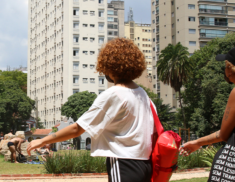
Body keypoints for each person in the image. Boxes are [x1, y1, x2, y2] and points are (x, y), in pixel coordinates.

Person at [27, 38, 155, 182]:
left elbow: (77, 129)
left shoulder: (114, 94)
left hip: (124, 163)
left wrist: (43, 140)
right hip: (146, 164)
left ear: (109, 65)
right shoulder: (144, 95)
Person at [180, 46, 235, 158]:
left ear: (231, 70)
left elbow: (224, 134)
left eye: (225, 66)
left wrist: (197, 142)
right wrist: (198, 143)